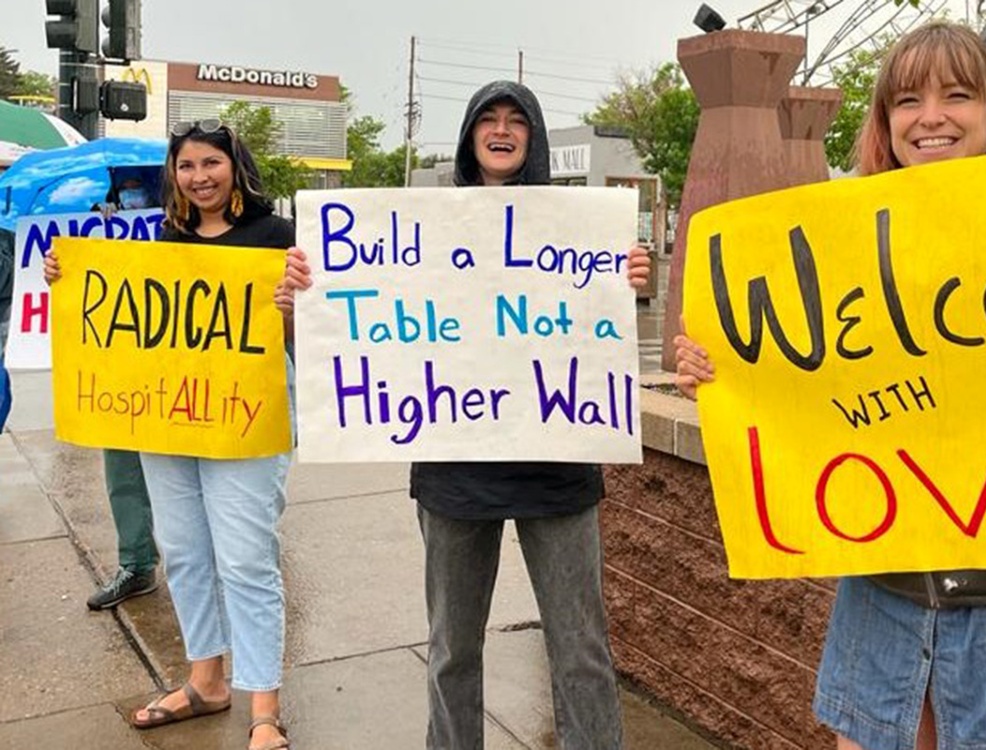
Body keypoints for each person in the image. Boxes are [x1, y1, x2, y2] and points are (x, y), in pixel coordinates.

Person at [675, 22, 986, 750]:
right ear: (885, 121)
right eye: (907, 100)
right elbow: (794, 373)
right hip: (885, 594)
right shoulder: (837, 246)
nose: (932, 116)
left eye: (957, 94)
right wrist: (720, 370)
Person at [280, 80, 651, 749]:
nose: (502, 130)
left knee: (581, 650)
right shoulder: (423, 226)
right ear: (470, 135)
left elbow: (604, 328)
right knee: (453, 650)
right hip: (455, 469)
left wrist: (628, 284)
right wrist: (308, 298)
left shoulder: (580, 228)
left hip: (558, 468)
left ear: (534, 139)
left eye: (517, 121)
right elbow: (359, 325)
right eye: (489, 119)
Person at [47, 119, 295, 750]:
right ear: (173, 175)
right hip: (168, 420)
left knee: (245, 560)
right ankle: (206, 679)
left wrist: (298, 308)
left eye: (211, 163)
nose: (199, 177)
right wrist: (68, 278)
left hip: (245, 422)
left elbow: (303, 341)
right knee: (183, 550)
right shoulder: (166, 236)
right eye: (186, 167)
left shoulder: (276, 239)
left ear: (235, 166)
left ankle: (262, 705)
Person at [85, 166, 163, 612]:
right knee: (123, 470)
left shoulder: (188, 228)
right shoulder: (98, 228)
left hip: (183, 369)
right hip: (122, 370)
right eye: (124, 191)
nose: (132, 199)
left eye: (141, 190)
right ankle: (136, 564)